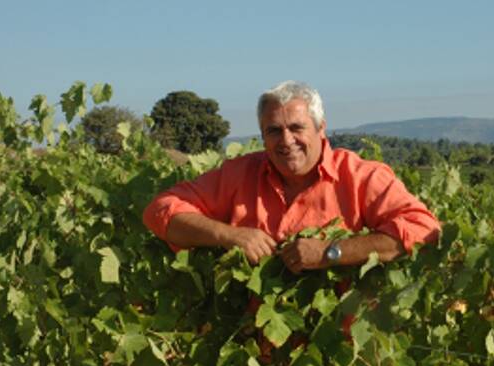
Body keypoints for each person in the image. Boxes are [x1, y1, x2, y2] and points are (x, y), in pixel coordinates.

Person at [143, 81, 440, 274]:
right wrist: (230, 236)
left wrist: (331, 252)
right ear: (262, 135)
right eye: (274, 131)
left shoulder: (362, 177)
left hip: (342, 354)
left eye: (297, 128)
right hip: (252, 353)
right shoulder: (239, 174)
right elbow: (161, 210)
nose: (286, 140)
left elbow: (424, 229)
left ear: (320, 128)